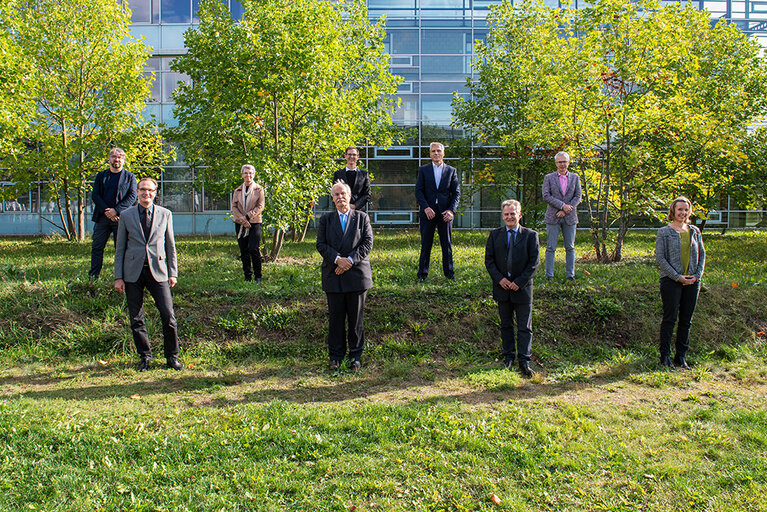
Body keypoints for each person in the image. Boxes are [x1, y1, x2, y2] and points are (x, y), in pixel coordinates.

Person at [114, 177, 182, 372]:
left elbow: (170, 245)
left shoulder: (165, 214)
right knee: (136, 318)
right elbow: (120, 248)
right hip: (132, 272)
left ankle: (172, 357)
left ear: (155, 192)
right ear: (137, 191)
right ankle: (144, 357)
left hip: (159, 271)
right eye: (143, 190)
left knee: (168, 315)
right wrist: (118, 276)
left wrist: (172, 272)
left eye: (150, 190)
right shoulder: (126, 215)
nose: (146, 193)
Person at [316, 181, 373, 371]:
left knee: (356, 320)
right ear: (332, 199)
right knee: (336, 319)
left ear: (350, 196)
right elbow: (321, 245)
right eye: (336, 195)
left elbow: (367, 243)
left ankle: (355, 357)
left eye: (343, 194)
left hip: (356, 275)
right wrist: (337, 260)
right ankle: (335, 357)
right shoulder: (326, 220)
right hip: (334, 275)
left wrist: (349, 260)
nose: (340, 197)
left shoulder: (362, 218)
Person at [484, 199, 540, 377]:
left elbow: (534, 263)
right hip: (502, 289)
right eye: (506, 214)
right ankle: (509, 357)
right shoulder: (495, 235)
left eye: (512, 214)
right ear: (503, 216)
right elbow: (489, 261)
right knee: (506, 325)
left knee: (525, 327)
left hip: (522, 290)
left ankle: (524, 360)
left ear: (519, 215)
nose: (509, 217)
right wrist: (500, 279)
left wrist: (519, 282)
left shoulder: (531, 235)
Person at [655, 196, 705, 370]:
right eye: (680, 209)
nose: (683, 213)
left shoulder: (695, 231)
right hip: (671, 281)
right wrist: (677, 277)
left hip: (692, 282)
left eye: (685, 210)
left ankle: (681, 356)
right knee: (670, 319)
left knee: (686, 320)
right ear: (673, 211)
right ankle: (665, 356)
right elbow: (660, 258)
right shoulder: (664, 232)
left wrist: (696, 275)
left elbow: (702, 255)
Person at [89, 148, 138, 279]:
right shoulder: (101, 176)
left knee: (121, 249)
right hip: (102, 218)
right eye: (114, 157)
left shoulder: (130, 177)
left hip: (121, 218)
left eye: (119, 157)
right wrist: (108, 211)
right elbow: (95, 195)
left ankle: (122, 276)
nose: (116, 160)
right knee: (97, 248)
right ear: (109, 159)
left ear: (123, 160)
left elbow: (132, 196)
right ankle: (93, 276)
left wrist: (116, 210)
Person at [415, 142, 460, 281]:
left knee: (446, 244)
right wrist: (426, 207)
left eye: (439, 151)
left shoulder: (451, 171)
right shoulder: (423, 170)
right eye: (433, 151)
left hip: (445, 213)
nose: (436, 153)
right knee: (426, 244)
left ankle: (449, 275)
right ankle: (422, 275)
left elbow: (456, 193)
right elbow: (418, 191)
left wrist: (451, 211)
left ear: (443, 153)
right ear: (430, 153)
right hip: (428, 213)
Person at [542, 151, 581, 282]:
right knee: (550, 247)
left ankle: (570, 275)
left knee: (570, 247)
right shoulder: (549, 177)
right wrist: (562, 206)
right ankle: (549, 276)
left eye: (564, 161)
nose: (562, 164)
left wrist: (565, 210)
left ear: (569, 163)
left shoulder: (575, 178)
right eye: (560, 162)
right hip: (553, 217)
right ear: (556, 163)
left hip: (570, 217)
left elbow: (578, 197)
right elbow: (546, 196)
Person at [231, 164, 265, 282]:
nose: (248, 175)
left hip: (254, 223)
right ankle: (247, 276)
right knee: (244, 250)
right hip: (240, 224)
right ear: (242, 175)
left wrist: (247, 217)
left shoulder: (259, 189)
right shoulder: (237, 190)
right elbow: (234, 207)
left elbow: (260, 206)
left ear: (254, 174)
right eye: (245, 173)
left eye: (250, 173)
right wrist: (242, 219)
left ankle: (258, 276)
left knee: (253, 249)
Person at [332, 146, 370, 212]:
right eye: (349, 154)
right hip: (341, 210)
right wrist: (344, 204)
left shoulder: (364, 174)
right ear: (345, 156)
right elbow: (334, 193)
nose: (351, 157)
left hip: (359, 211)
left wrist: (355, 205)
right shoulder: (338, 174)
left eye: (354, 155)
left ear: (358, 157)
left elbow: (367, 194)